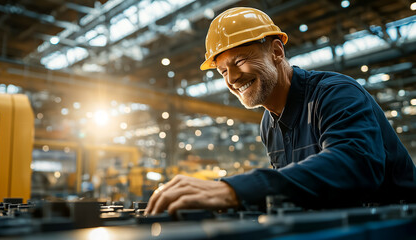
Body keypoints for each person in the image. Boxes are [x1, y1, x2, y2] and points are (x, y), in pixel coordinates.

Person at [145, 7, 416, 215]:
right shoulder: (268, 124)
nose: (232, 78)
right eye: (223, 71)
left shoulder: (335, 93)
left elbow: (355, 165)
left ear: (276, 51)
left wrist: (235, 189)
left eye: (240, 60)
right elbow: (300, 188)